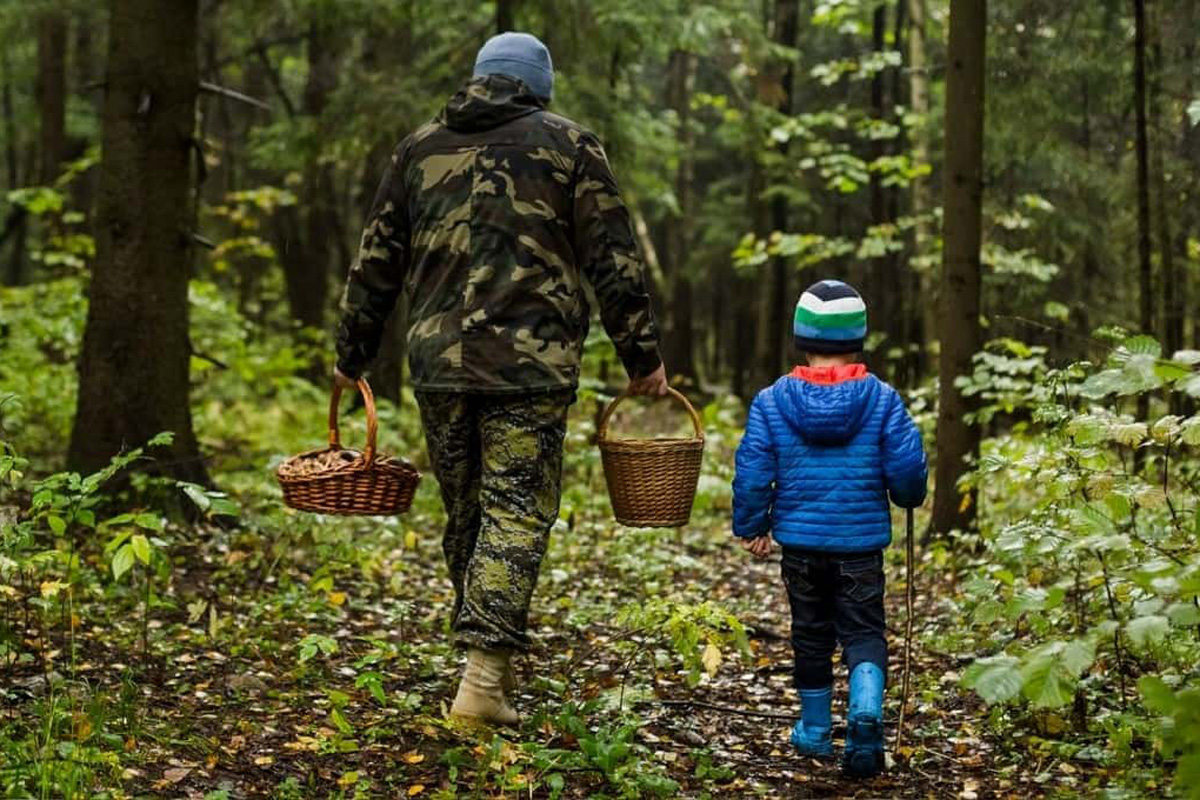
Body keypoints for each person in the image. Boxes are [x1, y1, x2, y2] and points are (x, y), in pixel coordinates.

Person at [331, 31, 667, 727]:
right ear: (539, 86)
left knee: (471, 513)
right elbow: (614, 258)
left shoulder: (419, 147)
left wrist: (350, 354)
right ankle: (483, 680)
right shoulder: (572, 146)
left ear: (480, 78)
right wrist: (643, 357)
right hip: (530, 368)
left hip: (439, 367)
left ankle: (485, 660)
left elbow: (375, 263)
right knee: (513, 512)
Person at [731, 279, 927, 778]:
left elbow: (753, 468)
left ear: (802, 337)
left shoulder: (772, 401)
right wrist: (907, 496)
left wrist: (753, 524)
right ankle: (865, 715)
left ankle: (815, 730)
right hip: (859, 546)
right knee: (863, 631)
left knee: (811, 634)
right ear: (858, 337)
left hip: (799, 545)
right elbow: (906, 472)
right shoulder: (882, 400)